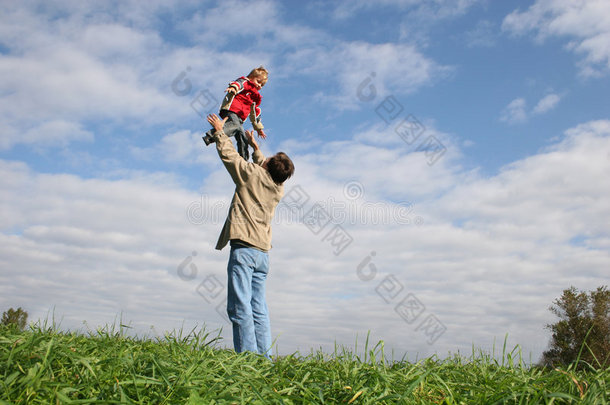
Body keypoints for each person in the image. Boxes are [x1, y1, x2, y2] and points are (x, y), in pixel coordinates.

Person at [206, 113, 294, 359]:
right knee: (258, 309)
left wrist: (219, 131)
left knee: (239, 307)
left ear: (266, 167)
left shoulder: (250, 175)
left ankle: (247, 360)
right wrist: (256, 149)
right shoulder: (278, 188)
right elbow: (265, 169)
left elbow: (230, 156)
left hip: (244, 249)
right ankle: (264, 360)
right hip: (263, 254)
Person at [202, 66, 268, 161]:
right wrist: (233, 88)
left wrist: (258, 128)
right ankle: (210, 136)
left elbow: (255, 113)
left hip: (239, 119)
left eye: (262, 85)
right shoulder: (246, 83)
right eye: (258, 81)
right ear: (250, 77)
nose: (259, 86)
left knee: (242, 136)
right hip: (231, 110)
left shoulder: (254, 97)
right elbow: (238, 84)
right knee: (235, 125)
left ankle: (243, 160)